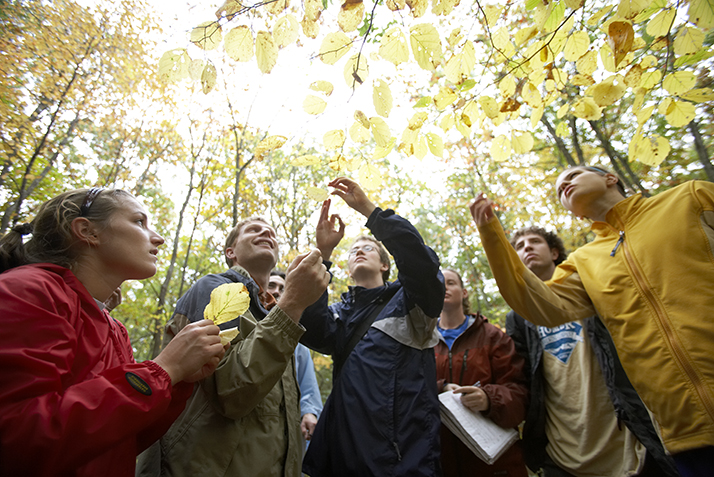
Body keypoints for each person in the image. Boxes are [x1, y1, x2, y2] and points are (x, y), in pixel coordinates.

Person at [469, 165, 714, 476]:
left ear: (610, 177)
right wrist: (492, 235)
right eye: (559, 189)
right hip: (685, 432)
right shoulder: (585, 262)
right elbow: (539, 305)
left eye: (572, 176)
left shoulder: (691, 198)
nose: (565, 186)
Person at [0, 187, 226, 477]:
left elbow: (120, 440)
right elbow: (18, 439)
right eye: (139, 222)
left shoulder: (115, 329)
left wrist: (176, 380)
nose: (157, 238)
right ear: (87, 231)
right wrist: (163, 370)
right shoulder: (28, 291)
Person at [136, 217, 330, 477]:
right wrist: (293, 302)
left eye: (271, 232)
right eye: (253, 230)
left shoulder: (273, 314)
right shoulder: (217, 288)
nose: (265, 232)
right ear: (231, 252)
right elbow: (231, 390)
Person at [300, 177, 445, 477]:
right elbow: (312, 329)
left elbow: (421, 264)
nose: (359, 251)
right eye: (353, 251)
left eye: (368, 248)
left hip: (401, 460)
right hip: (342, 458)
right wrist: (322, 255)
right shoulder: (341, 314)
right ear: (349, 269)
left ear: (385, 265)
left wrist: (369, 212)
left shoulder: (412, 302)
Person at [506, 226, 678, 477]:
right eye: (519, 247)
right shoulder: (518, 317)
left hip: (625, 439)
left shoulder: (590, 289)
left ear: (555, 253)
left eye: (534, 242)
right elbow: (524, 381)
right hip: (563, 452)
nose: (527, 247)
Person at [435, 269, 528, 477]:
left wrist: (489, 399)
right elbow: (408, 391)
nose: (444, 287)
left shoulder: (492, 336)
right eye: (439, 283)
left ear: (464, 292)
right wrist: (440, 388)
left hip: (494, 465)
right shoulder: (422, 343)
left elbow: (520, 392)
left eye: (450, 283)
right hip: (440, 462)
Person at [268, 270, 323, 448]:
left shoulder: (298, 341)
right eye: (271, 285)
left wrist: (309, 412)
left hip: (284, 432)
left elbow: (307, 385)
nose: (277, 291)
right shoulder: (246, 323)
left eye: (283, 288)